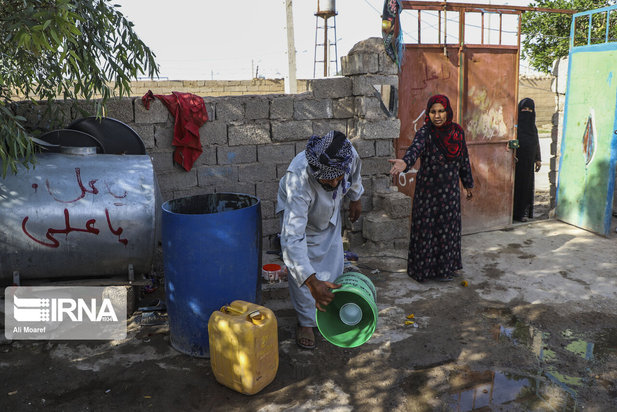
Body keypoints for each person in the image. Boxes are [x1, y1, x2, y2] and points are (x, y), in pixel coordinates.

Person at [276, 130, 364, 349]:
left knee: (333, 258)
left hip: (330, 211)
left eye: (338, 177)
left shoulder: (347, 154)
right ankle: (306, 322)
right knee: (304, 271)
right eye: (328, 177)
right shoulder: (298, 179)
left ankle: (328, 307)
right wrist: (311, 281)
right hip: (302, 222)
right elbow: (292, 240)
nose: (334, 183)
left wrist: (355, 198)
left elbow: (355, 175)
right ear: (316, 171)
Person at [388, 94, 474, 282]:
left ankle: (446, 269)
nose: (437, 116)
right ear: (429, 114)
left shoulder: (457, 133)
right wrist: (405, 162)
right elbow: (414, 149)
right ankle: (423, 271)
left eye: (441, 111)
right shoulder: (425, 132)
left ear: (447, 111)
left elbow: (463, 160)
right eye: (433, 112)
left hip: (449, 192)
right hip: (427, 193)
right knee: (426, 230)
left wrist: (468, 184)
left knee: (447, 230)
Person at [513, 97, 542, 222]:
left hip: (529, 163)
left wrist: (538, 159)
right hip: (516, 162)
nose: (527, 111)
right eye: (524, 109)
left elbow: (536, 143)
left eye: (530, 109)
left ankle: (522, 213)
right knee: (516, 187)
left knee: (526, 187)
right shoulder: (515, 126)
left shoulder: (533, 128)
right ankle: (513, 213)